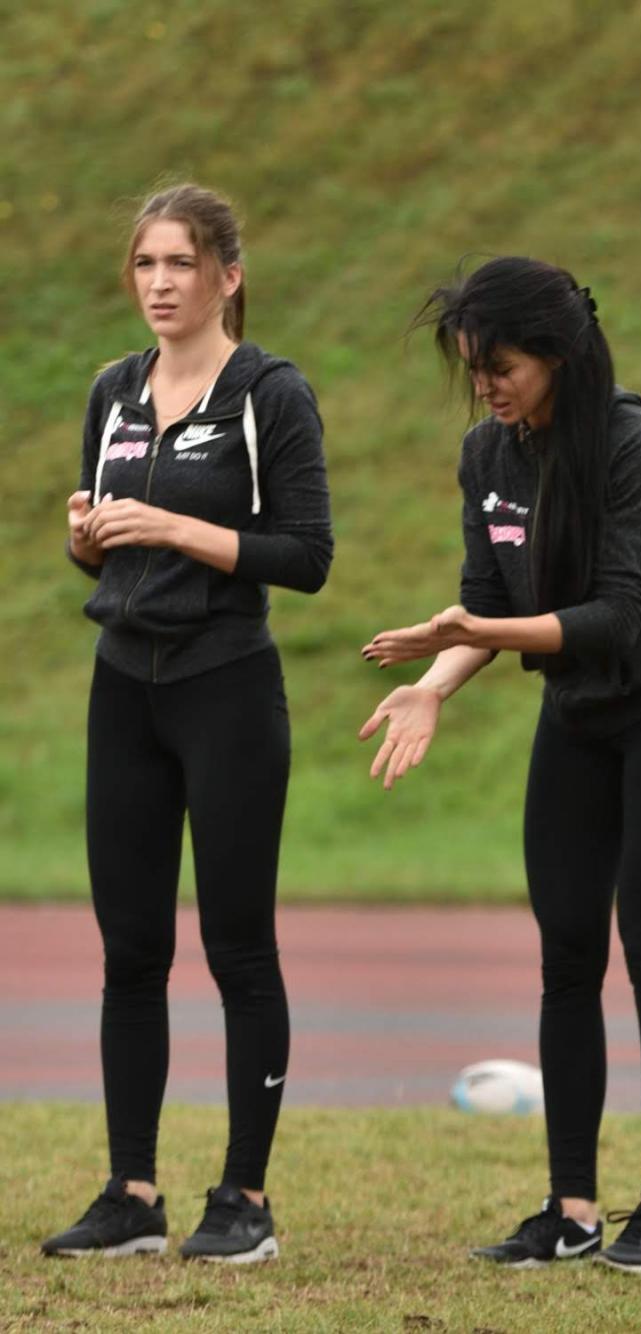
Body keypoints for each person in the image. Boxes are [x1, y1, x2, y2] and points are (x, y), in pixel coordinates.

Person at [358, 257, 641, 1276]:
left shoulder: (632, 443)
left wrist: (475, 631)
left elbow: (619, 615)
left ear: (557, 354)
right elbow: (484, 599)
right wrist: (436, 683)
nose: (485, 385)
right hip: (574, 715)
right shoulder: (487, 453)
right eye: (473, 367)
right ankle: (571, 1210)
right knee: (566, 953)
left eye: (501, 366)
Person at [43, 184, 334, 1264]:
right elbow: (101, 549)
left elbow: (307, 556)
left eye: (180, 264)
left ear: (228, 276)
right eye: (144, 264)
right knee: (130, 949)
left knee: (237, 946)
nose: (159, 284)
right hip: (124, 686)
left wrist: (171, 524)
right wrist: (89, 539)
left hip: (226, 687)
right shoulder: (112, 391)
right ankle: (132, 1192)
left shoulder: (270, 393)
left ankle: (244, 1197)